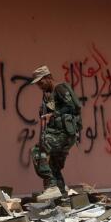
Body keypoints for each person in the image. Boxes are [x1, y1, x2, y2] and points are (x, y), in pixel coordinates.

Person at [30, 65, 82, 202]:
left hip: (64, 133)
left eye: (41, 82)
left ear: (48, 78)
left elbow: (73, 107)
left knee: (37, 150)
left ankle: (51, 186)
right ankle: (62, 199)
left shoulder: (60, 88)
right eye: (37, 84)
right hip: (60, 134)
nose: (39, 86)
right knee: (53, 165)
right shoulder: (47, 94)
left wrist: (52, 114)